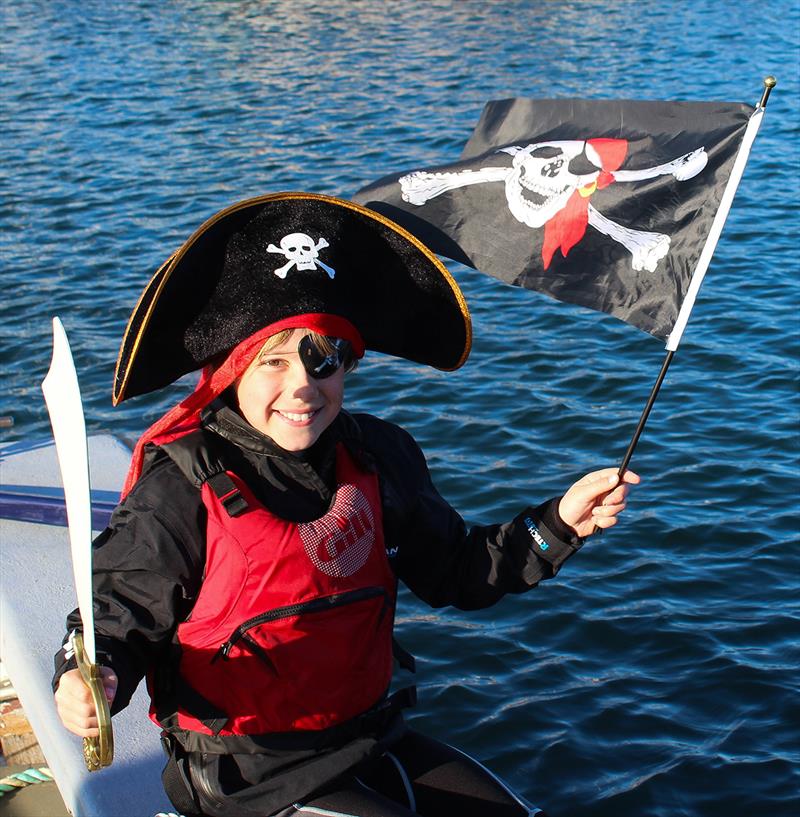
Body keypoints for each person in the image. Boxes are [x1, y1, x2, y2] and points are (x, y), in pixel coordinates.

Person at [53, 192, 639, 817]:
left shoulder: (378, 456)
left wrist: (558, 525)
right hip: (250, 779)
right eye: (272, 362)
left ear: (347, 365)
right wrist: (89, 680)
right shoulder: (180, 488)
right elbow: (111, 620)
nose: (302, 387)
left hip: (372, 740)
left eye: (322, 359)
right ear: (230, 371)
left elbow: (460, 571)